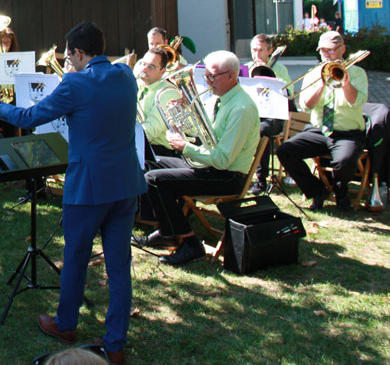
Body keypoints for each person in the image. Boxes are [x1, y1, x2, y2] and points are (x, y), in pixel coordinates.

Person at [0, 21, 143, 365]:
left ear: (79, 53)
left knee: (76, 258)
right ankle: (115, 344)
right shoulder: (126, 75)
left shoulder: (76, 82)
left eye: (68, 56)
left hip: (88, 187)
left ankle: (66, 325)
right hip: (126, 183)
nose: (67, 62)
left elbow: (30, 117)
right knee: (119, 266)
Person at [139, 50, 260, 265]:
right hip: (209, 167)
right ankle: (169, 230)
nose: (208, 82)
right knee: (148, 164)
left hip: (227, 176)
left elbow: (223, 160)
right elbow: (202, 135)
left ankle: (190, 243)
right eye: (206, 76)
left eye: (212, 77)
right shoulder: (220, 99)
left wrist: (185, 147)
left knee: (154, 179)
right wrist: (179, 121)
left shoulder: (241, 108)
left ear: (231, 76)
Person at [277, 31, 367, 212]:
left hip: (347, 132)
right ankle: (318, 191)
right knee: (285, 151)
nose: (326, 55)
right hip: (319, 130)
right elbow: (306, 106)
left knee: (344, 160)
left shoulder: (357, 73)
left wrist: (346, 82)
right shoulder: (314, 74)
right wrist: (321, 84)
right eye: (323, 51)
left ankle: (342, 195)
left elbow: (356, 102)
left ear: (342, 49)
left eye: (331, 50)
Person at [246, 34, 290, 194]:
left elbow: (288, 93)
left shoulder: (280, 69)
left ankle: (261, 179)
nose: (256, 54)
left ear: (270, 51)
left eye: (260, 50)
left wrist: (270, 76)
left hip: (273, 116)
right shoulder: (246, 67)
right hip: (253, 114)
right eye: (254, 50)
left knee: (260, 130)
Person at [135, 47, 179, 160]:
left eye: (151, 67)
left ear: (163, 71)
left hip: (160, 153)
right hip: (140, 145)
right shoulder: (137, 84)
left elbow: (151, 131)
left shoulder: (167, 93)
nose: (144, 69)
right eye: (143, 64)